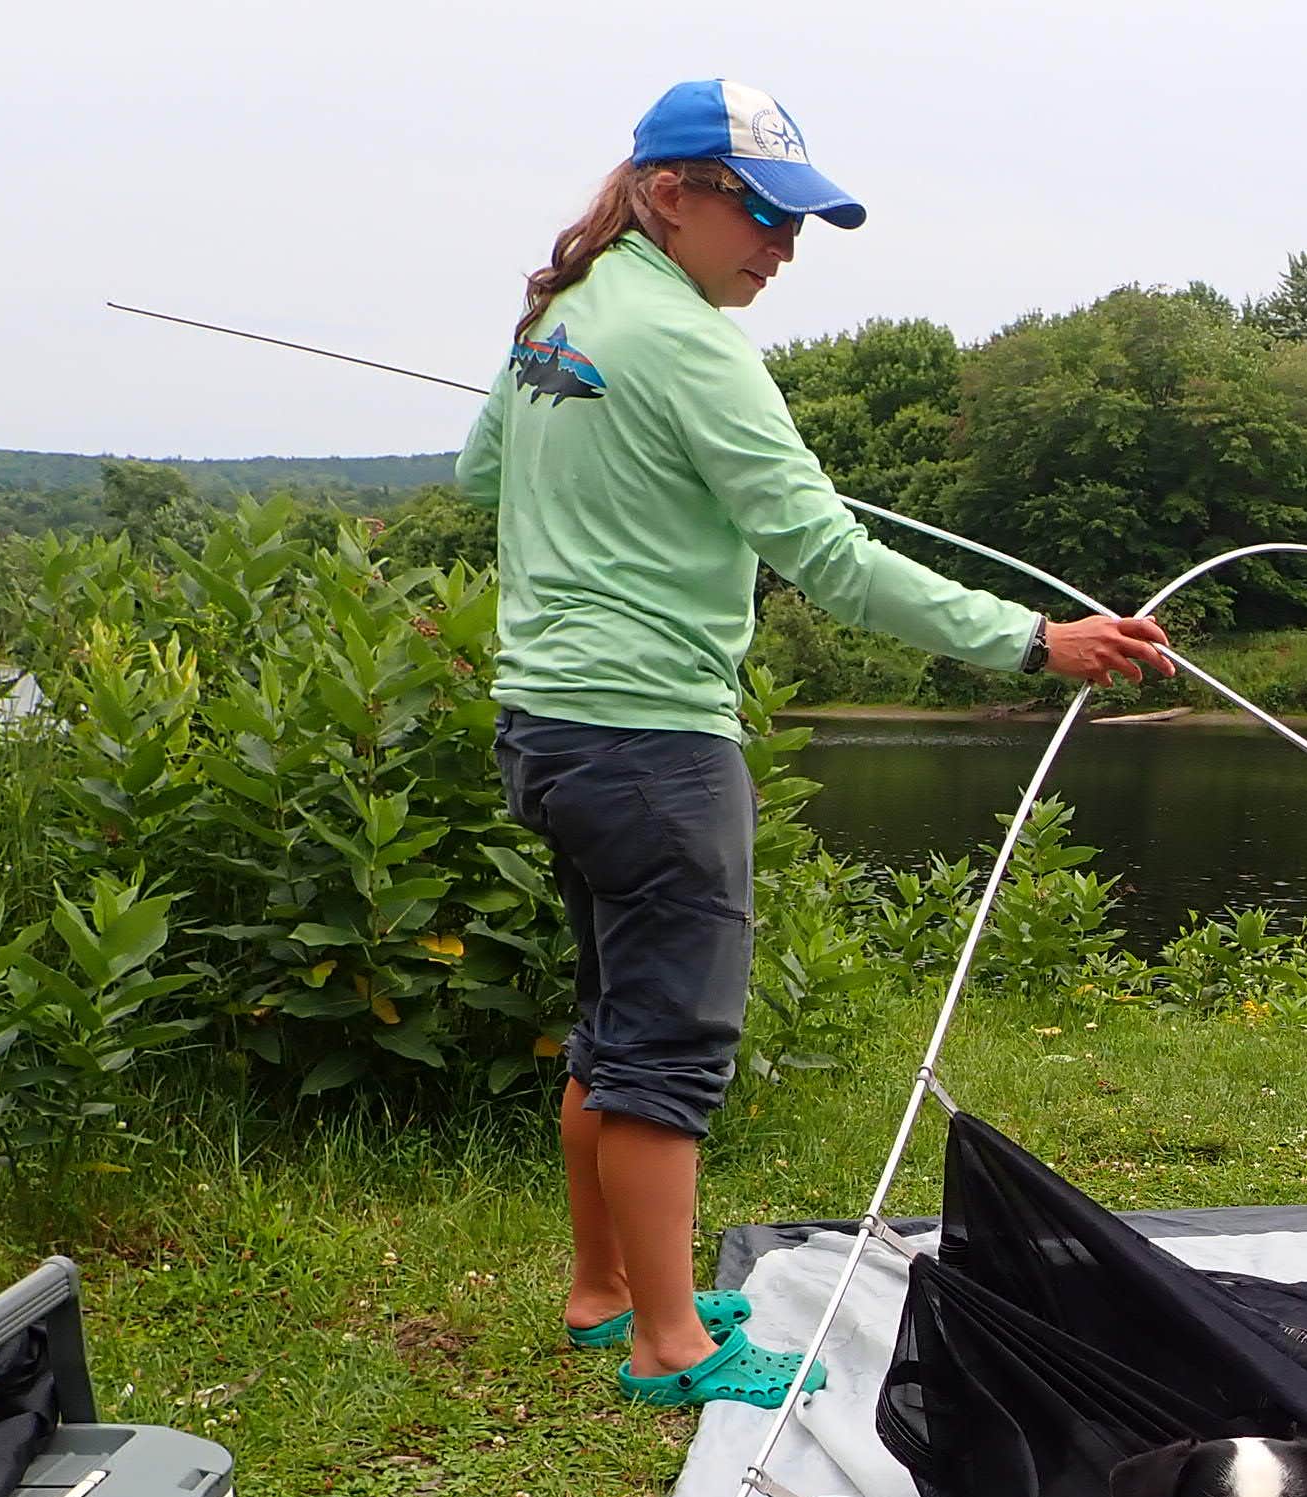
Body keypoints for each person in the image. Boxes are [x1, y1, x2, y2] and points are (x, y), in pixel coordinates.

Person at [459, 77, 1173, 1408]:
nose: (782, 246)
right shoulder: (692, 345)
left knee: (611, 1025)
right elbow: (831, 563)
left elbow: (476, 474)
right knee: (665, 1048)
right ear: (669, 192)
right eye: (760, 215)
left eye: (798, 223)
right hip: (655, 742)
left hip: (550, 732)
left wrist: (609, 457)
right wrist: (1036, 641)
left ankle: (606, 1296)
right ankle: (672, 1349)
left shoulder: (561, 319)